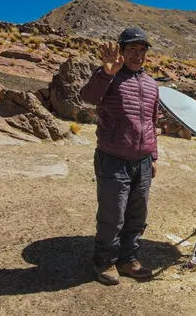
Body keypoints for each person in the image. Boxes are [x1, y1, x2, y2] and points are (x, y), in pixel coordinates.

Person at [80, 27, 159, 285]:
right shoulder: (109, 75)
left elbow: (151, 121)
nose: (138, 55)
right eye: (132, 50)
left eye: (142, 50)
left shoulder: (151, 84)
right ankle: (105, 261)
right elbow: (87, 97)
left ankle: (128, 259)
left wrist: (153, 156)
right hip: (113, 158)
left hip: (143, 161)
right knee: (113, 214)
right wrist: (106, 73)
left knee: (137, 215)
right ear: (122, 52)